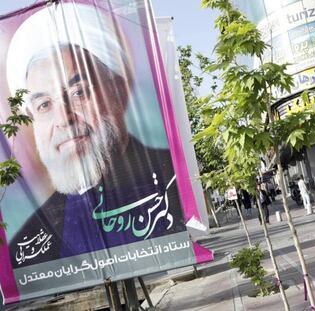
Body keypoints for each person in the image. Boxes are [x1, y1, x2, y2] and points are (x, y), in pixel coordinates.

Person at [6, 3, 186, 267]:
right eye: (44, 105)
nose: (64, 119)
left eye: (78, 93)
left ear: (119, 91)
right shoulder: (30, 240)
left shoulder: (173, 181)